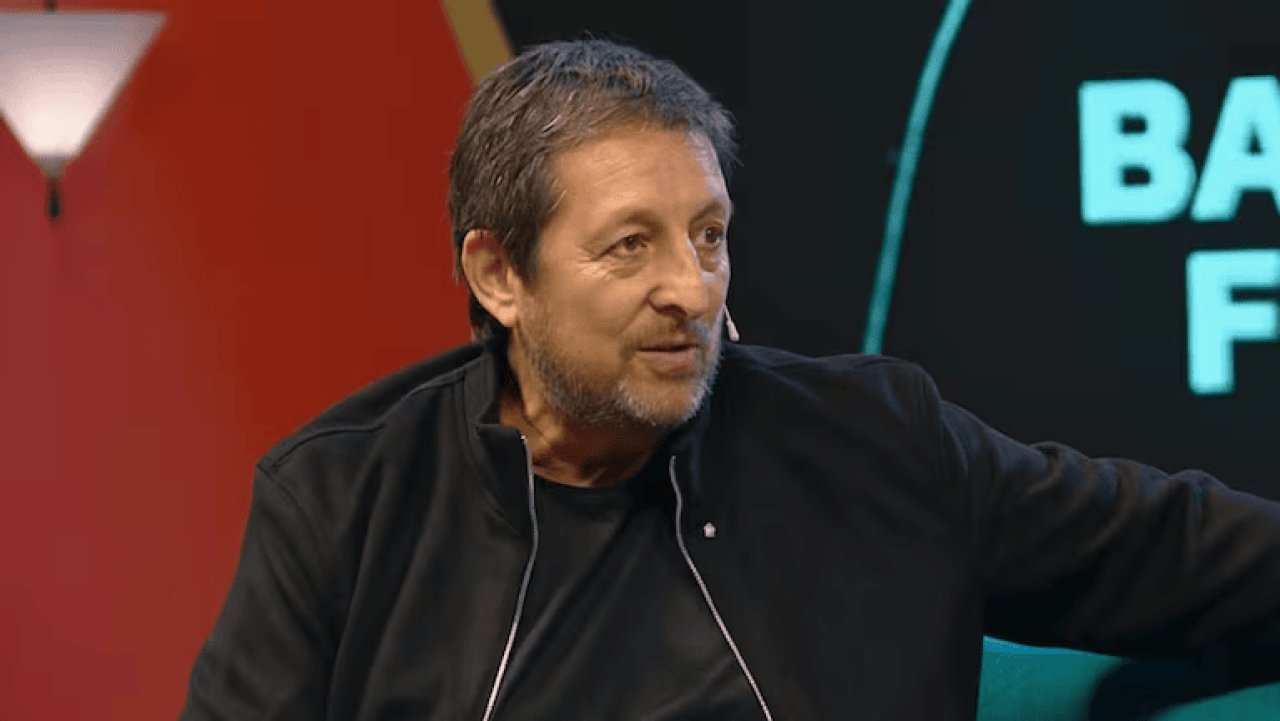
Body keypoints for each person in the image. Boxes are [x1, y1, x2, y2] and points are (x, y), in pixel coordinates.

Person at [180, 39, 1280, 720]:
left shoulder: (869, 441)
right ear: (498, 274)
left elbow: (1182, 550)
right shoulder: (343, 502)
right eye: (630, 247)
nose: (691, 290)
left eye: (707, 237)